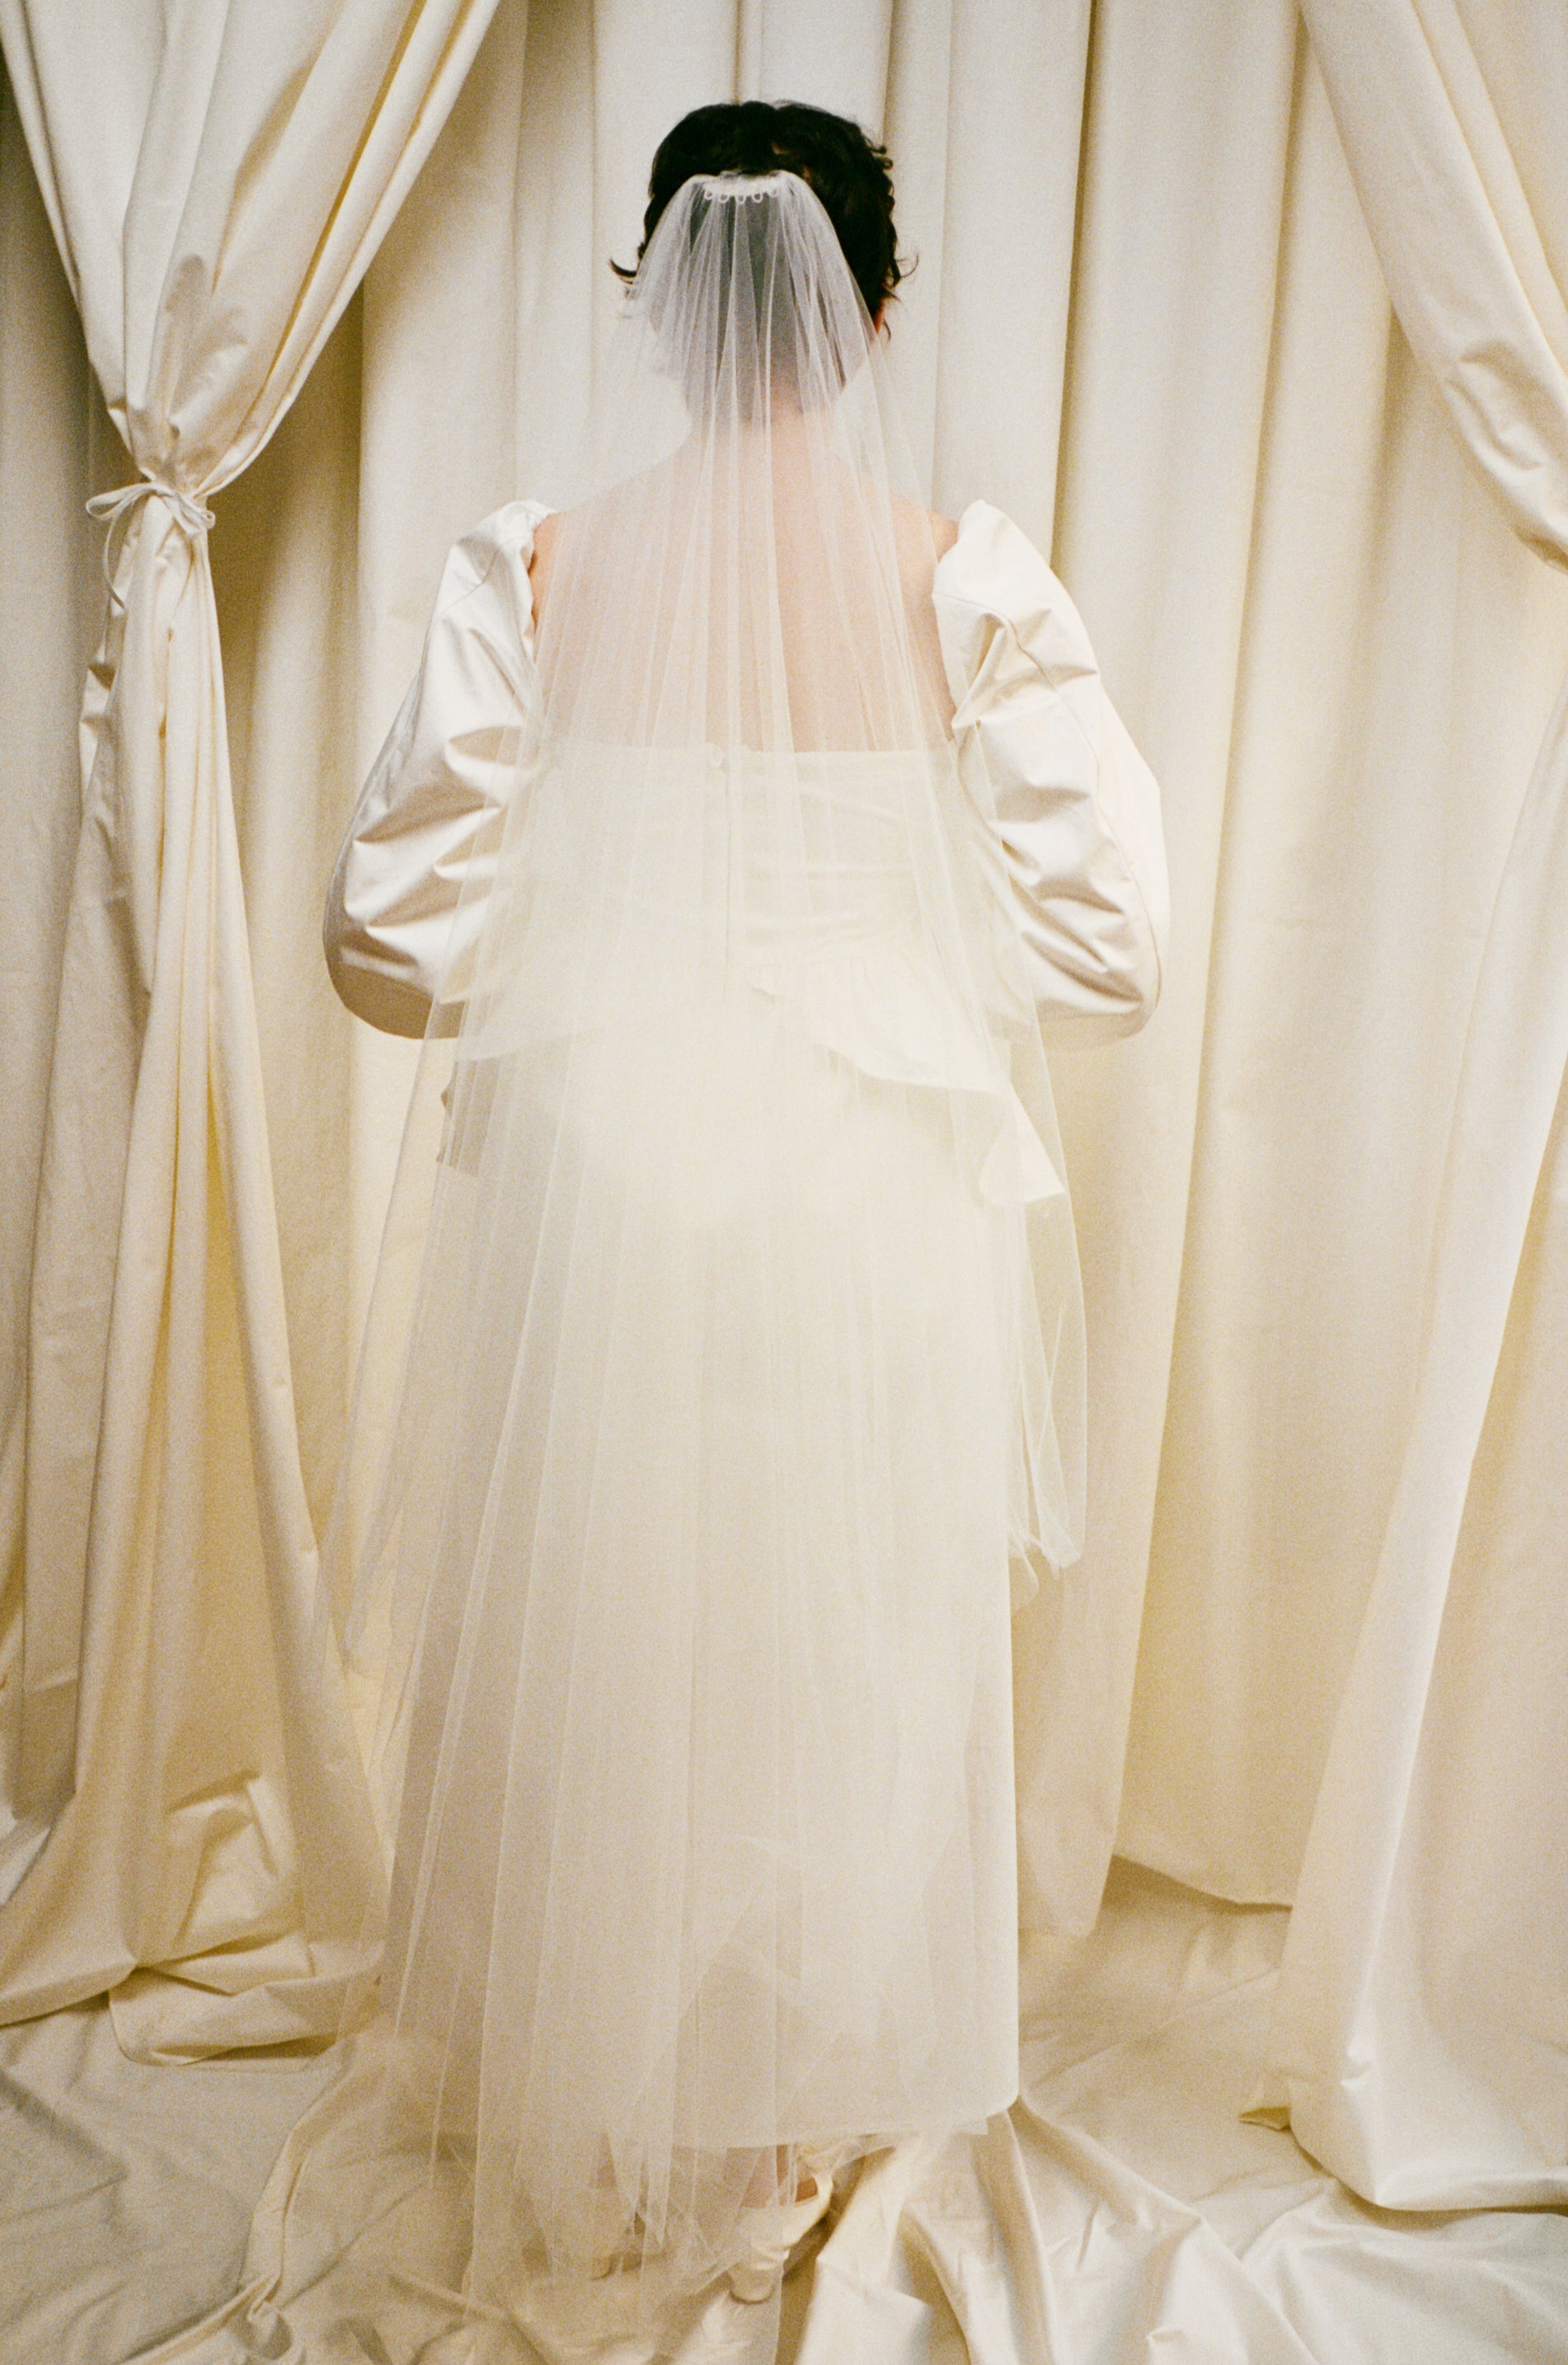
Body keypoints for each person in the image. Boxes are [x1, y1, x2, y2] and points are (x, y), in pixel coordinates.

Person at [322, 98, 1167, 2358]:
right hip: (868, 1164)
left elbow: (387, 936)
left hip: (601, 1158)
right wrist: (891, 949)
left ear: (657, 302)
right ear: (874, 309)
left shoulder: (540, 564)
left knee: (604, 1609)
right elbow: (1109, 948)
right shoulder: (957, 577)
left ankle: (600, 2105)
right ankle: (774, 2114)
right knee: (837, 1633)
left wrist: (595, 946)